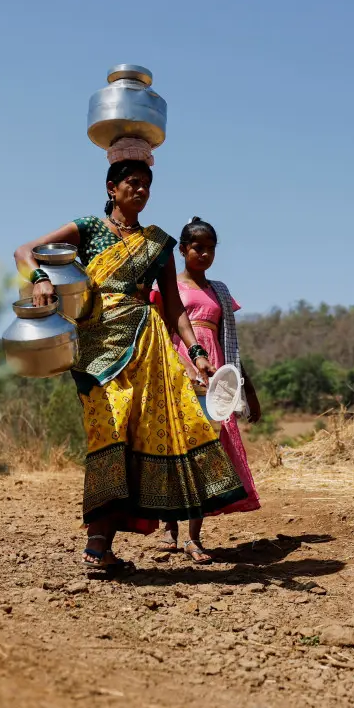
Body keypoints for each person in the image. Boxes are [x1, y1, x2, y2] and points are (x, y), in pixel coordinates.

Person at [13, 142, 248, 572]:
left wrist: (196, 351)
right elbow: (24, 252)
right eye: (131, 183)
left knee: (138, 435)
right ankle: (99, 540)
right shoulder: (86, 228)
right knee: (108, 428)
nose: (140, 191)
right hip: (94, 347)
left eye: (146, 185)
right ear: (112, 188)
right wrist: (40, 278)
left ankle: (99, 546)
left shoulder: (156, 244)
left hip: (146, 345)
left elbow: (174, 308)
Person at [150, 217, 262, 559]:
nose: (204, 253)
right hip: (177, 372)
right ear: (183, 250)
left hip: (216, 378)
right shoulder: (168, 288)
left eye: (210, 248)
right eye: (197, 247)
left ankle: (193, 537)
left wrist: (248, 391)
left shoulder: (220, 292)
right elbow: (158, 333)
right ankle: (170, 529)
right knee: (175, 448)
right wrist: (180, 365)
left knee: (207, 451)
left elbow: (232, 347)